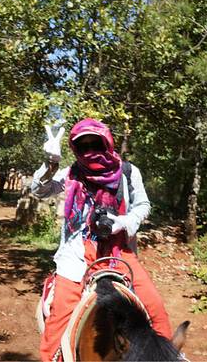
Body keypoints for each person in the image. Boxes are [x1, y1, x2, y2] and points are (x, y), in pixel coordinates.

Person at [32, 118, 173, 361]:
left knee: (156, 310)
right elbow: (39, 191)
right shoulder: (71, 173)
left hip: (119, 251)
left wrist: (123, 222)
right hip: (77, 254)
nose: (90, 151)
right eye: (83, 146)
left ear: (106, 143)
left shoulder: (128, 172)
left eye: (95, 144)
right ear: (76, 149)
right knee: (59, 318)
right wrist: (50, 164)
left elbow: (143, 205)